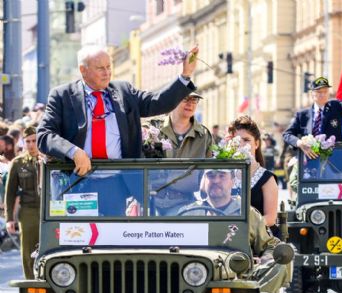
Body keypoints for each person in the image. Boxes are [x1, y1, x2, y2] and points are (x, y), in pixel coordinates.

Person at [37, 45, 199, 176]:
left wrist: (185, 75)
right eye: (100, 68)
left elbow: (157, 103)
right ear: (83, 70)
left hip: (118, 182)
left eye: (109, 67)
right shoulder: (62, 95)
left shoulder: (124, 91)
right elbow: (44, 135)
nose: (107, 73)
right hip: (76, 180)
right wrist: (73, 152)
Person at [283, 61, 342, 159]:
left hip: (335, 163)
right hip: (310, 163)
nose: (322, 94)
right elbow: (287, 134)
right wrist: (300, 143)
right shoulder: (302, 115)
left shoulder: (335, 107)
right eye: (319, 92)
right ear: (312, 94)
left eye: (325, 91)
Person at [144, 91, 213, 215]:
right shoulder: (152, 128)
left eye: (194, 100)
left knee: (196, 216)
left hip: (184, 203)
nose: (190, 104)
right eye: (185, 99)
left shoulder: (203, 135)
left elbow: (208, 173)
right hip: (150, 200)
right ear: (172, 100)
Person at [228, 116, 279, 236]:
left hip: (258, 237)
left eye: (246, 140)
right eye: (237, 141)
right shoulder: (224, 174)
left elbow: (271, 218)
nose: (241, 145)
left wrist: (242, 228)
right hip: (226, 235)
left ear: (256, 144)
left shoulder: (267, 178)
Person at [4, 127, 42, 279]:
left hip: (51, 211)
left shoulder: (51, 160)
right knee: (28, 251)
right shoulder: (18, 163)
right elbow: (10, 193)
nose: (31, 144)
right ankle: (31, 283)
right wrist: (9, 219)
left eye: (34, 141)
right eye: (28, 141)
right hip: (29, 211)